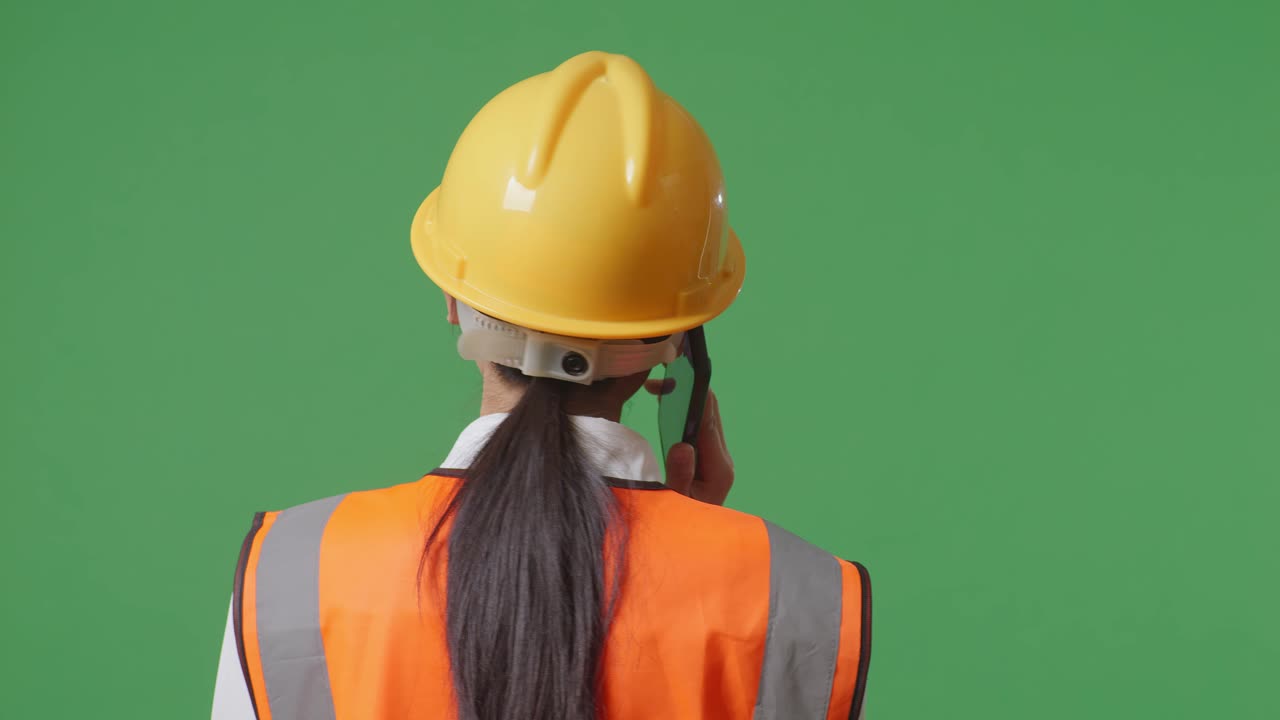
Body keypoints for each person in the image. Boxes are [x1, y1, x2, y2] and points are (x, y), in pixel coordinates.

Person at [211, 50, 870, 720]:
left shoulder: (292, 574)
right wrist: (707, 557)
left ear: (452, 299)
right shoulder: (800, 596)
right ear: (674, 342)